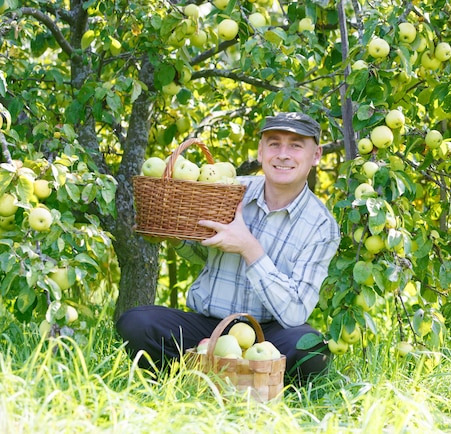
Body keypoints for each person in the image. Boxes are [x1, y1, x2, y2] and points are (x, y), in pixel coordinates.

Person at [117, 112, 341, 385]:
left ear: (316, 154)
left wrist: (249, 248)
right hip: (208, 327)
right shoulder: (231, 191)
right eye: (274, 144)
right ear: (260, 151)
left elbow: (295, 312)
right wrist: (175, 235)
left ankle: (255, 384)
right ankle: (187, 380)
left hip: (268, 335)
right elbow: (201, 251)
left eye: (295, 145)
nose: (283, 154)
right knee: (136, 323)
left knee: (311, 350)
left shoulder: (321, 225)